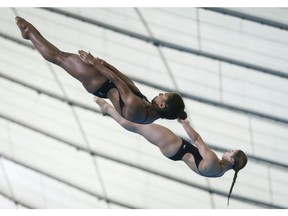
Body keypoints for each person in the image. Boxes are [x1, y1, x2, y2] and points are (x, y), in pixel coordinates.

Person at [15, 16, 185, 124]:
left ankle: (29, 33)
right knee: (63, 57)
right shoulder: (150, 110)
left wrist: (94, 63)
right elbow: (128, 83)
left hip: (99, 84)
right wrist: (106, 65)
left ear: (163, 104)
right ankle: (30, 34)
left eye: (164, 95)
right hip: (106, 80)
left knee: (61, 58)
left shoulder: (140, 110)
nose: (161, 93)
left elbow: (120, 83)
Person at [94, 96, 248, 205]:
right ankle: (109, 109)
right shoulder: (219, 171)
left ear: (232, 160)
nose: (227, 151)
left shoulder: (214, 163)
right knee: (139, 127)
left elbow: (197, 140)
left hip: (175, 146)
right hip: (175, 151)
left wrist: (184, 123)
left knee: (138, 125)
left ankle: (107, 108)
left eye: (230, 152)